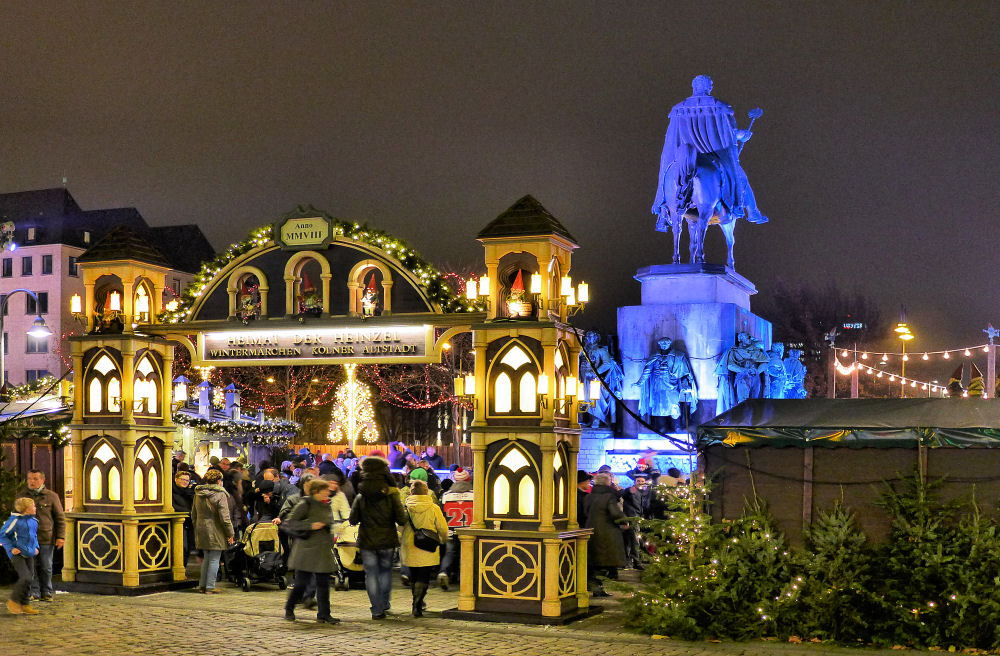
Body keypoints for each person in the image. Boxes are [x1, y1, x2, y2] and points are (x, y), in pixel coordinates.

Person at [652, 74, 767, 225]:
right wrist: (741, 135)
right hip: (713, 154)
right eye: (710, 85)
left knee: (667, 171)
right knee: (740, 176)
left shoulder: (678, 109)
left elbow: (672, 139)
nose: (711, 88)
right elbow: (726, 133)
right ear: (708, 87)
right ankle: (751, 212)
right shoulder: (719, 107)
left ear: (694, 87)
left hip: (686, 156)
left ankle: (663, 212)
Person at [349, 455, 406, 619]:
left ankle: (376, 609)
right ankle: (385, 603)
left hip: (367, 539)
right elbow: (401, 518)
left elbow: (353, 519)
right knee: (385, 572)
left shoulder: (361, 496)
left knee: (371, 574)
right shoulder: (392, 494)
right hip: (387, 538)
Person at [282, 478, 340, 625]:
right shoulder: (305, 504)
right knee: (301, 584)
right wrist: (310, 525)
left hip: (322, 549)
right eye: (325, 490)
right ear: (316, 491)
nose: (328, 492)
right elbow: (290, 522)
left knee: (323, 584)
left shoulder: (326, 505)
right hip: (306, 550)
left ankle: (324, 614)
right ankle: (289, 608)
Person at [400, 479, 449, 617]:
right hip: (429, 545)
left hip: (410, 545)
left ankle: (416, 603)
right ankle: (418, 604)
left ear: (411, 492)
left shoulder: (406, 507)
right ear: (426, 491)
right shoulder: (434, 508)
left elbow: (400, 528)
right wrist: (443, 539)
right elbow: (443, 528)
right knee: (424, 575)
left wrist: (399, 540)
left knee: (414, 575)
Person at [18, 469, 65, 603]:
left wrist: (60, 537)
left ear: (42, 480)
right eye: (30, 479)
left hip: (46, 538)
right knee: (30, 567)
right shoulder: (22, 496)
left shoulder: (51, 496)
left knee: (46, 566)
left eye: (35, 479)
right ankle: (32, 592)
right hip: (27, 539)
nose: (32, 482)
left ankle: (46, 592)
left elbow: (60, 518)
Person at [636, 337, 698, 428]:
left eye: (666, 343)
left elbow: (685, 372)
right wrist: (639, 382)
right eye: (662, 344)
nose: (664, 345)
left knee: (674, 406)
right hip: (657, 387)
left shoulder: (678, 356)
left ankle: (676, 426)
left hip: (672, 386)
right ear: (659, 345)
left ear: (670, 344)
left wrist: (685, 383)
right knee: (659, 407)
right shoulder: (654, 357)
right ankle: (661, 427)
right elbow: (647, 370)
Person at [191, 468, 235, 593]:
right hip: (216, 529)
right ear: (219, 481)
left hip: (201, 528)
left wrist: (197, 527)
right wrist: (230, 533)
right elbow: (225, 518)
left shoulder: (198, 493)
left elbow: (193, 514)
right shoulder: (220, 495)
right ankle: (210, 586)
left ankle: (202, 585)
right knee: (215, 558)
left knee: (206, 558)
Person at [584, 472, 628, 595]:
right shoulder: (609, 496)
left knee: (596, 561)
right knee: (604, 562)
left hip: (591, 530)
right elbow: (615, 513)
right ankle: (597, 587)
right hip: (607, 532)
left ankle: (597, 587)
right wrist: (624, 521)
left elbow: (586, 512)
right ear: (608, 482)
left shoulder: (589, 496)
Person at [1, 496, 40, 615]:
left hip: (29, 552)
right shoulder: (15, 521)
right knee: (25, 577)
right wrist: (11, 548)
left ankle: (25, 603)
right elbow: (3, 535)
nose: (35, 508)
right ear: (26, 509)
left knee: (30, 577)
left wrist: (36, 547)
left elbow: (34, 536)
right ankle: (13, 600)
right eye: (33, 506)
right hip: (17, 554)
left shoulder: (34, 521)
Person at [438, 467, 473, 589]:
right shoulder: (474, 495)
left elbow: (442, 512)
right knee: (466, 555)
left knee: (449, 553)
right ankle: (463, 579)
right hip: (468, 531)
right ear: (468, 480)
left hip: (451, 529)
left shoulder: (446, 495)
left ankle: (444, 572)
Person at [172, 470, 195, 565]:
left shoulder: (189, 492)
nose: (185, 482)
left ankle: (183, 568)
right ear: (176, 479)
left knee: (188, 548)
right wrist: (189, 512)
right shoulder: (171, 491)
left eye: (187, 480)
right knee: (182, 547)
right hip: (178, 523)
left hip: (189, 523)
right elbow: (173, 506)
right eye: (182, 479)